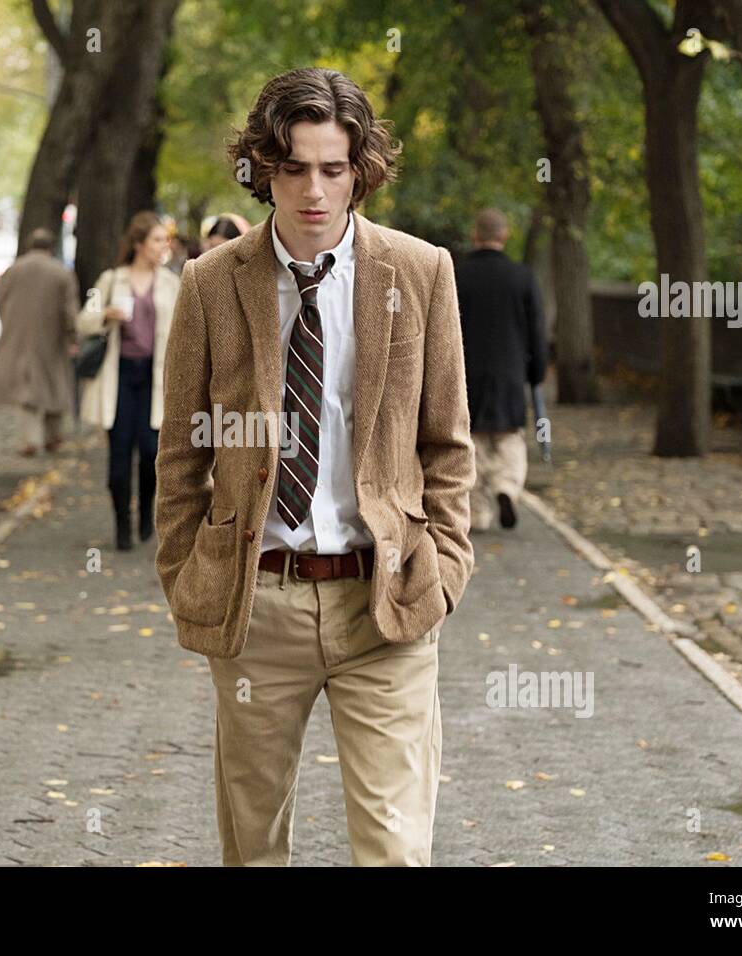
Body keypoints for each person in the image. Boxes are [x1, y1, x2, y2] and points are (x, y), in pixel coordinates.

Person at [154, 67, 476, 866]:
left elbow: (448, 442)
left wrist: (446, 566)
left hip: (387, 602)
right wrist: (184, 570)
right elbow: (181, 454)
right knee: (254, 848)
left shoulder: (421, 271)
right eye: (293, 166)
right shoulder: (209, 284)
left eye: (333, 169)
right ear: (264, 166)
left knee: (395, 850)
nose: (313, 190)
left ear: (359, 169)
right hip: (257, 603)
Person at [76, 211, 180, 551]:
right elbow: (82, 320)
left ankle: (146, 510)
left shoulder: (171, 283)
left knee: (152, 452)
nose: (163, 246)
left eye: (165, 240)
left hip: (155, 378)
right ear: (138, 243)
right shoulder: (111, 280)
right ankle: (122, 524)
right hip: (118, 375)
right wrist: (105, 315)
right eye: (156, 240)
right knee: (119, 458)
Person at [452, 207, 548, 531]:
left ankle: (477, 512)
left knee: (473, 442)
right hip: (509, 373)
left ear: (474, 235)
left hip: (466, 373)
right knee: (509, 439)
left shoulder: (457, 274)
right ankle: (507, 486)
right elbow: (537, 331)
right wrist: (536, 372)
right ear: (504, 236)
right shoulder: (522, 277)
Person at [0, 227, 79, 456]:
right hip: (52, 336)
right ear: (51, 246)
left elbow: (1, 301)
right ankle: (53, 436)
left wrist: (8, 325)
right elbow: (70, 311)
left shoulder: (12, 271)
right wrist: (72, 336)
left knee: (25, 387)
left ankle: (30, 439)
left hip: (18, 334)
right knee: (54, 384)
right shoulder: (61, 272)